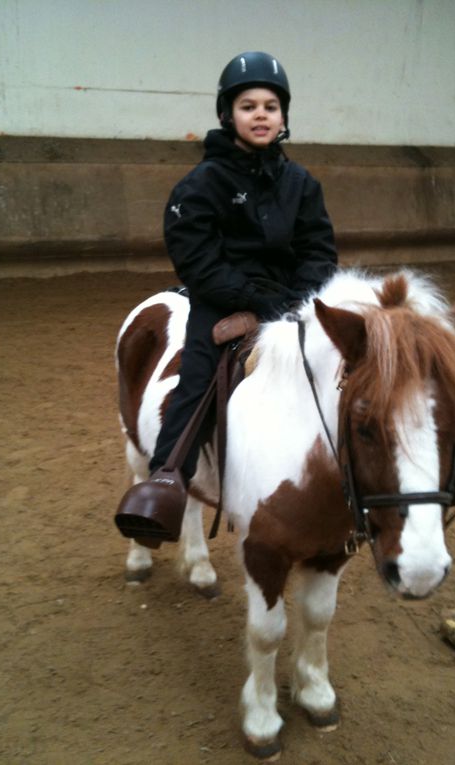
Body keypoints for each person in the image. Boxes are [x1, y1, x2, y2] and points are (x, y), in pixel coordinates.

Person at [116, 51, 337, 543]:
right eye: (247, 105)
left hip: (293, 305)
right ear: (226, 115)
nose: (261, 114)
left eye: (271, 106)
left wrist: (298, 301)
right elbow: (195, 258)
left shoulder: (302, 184)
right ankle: (167, 477)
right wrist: (251, 299)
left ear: (283, 117)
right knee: (195, 377)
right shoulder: (199, 185)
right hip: (222, 301)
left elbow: (319, 250)